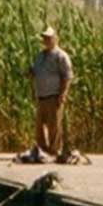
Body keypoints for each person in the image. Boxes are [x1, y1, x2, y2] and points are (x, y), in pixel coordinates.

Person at [29, 25, 73, 157]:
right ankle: (43, 151)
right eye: (44, 38)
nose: (46, 40)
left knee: (54, 127)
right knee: (39, 127)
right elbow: (36, 72)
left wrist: (63, 94)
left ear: (55, 39)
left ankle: (55, 151)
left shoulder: (61, 56)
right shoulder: (40, 56)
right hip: (41, 96)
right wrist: (31, 72)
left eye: (49, 38)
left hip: (54, 95)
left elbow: (67, 76)